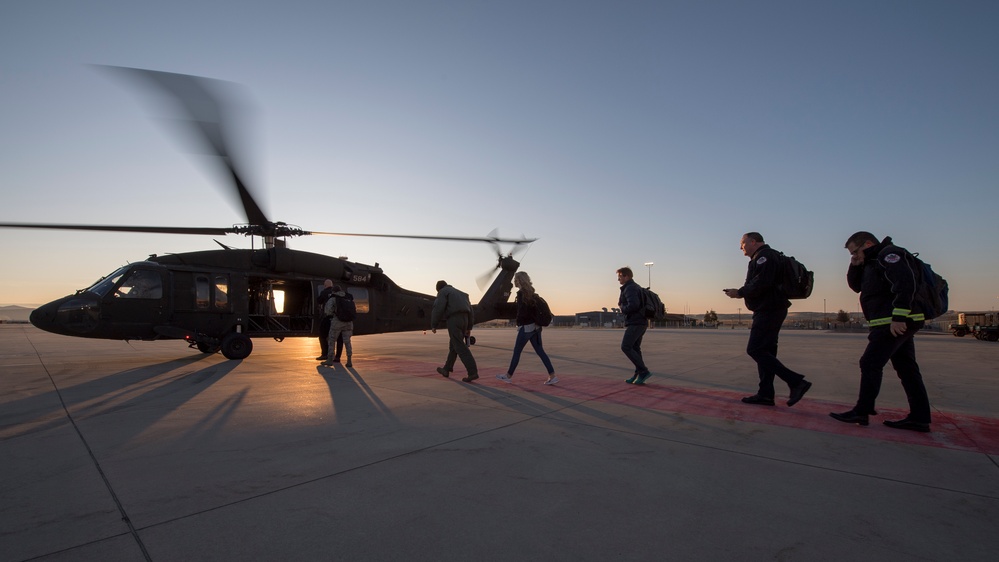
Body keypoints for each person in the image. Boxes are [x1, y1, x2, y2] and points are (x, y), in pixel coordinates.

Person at [829, 232, 932, 432]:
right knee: (906, 368)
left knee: (870, 363)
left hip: (894, 322)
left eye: (856, 251)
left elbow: (905, 283)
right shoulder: (872, 261)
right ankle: (920, 417)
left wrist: (899, 316)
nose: (854, 255)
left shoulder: (889, 254)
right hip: (890, 321)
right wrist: (854, 264)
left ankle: (862, 410)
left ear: (868, 244)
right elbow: (856, 287)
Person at [723, 232, 812, 407]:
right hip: (771, 308)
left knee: (755, 349)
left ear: (753, 241)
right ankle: (765, 393)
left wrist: (739, 292)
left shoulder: (765, 256)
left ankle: (796, 382)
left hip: (769, 309)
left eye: (742, 244)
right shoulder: (766, 256)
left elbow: (762, 282)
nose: (741, 248)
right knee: (766, 352)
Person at [496, 272, 558, 385]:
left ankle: (508, 376)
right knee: (540, 351)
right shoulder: (532, 293)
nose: (514, 280)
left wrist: (519, 323)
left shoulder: (521, 294)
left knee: (517, 352)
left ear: (519, 280)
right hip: (536, 327)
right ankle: (552, 375)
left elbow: (523, 312)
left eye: (515, 278)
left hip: (526, 328)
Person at [431, 280, 479, 383]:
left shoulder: (443, 292)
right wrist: (469, 327)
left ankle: (472, 372)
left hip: (454, 319)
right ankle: (446, 369)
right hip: (465, 320)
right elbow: (471, 312)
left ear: (439, 288)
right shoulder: (462, 294)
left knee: (459, 346)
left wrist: (434, 324)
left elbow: (438, 308)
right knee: (454, 345)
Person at [617, 267, 651, 384]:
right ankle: (638, 374)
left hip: (636, 322)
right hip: (641, 322)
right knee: (635, 349)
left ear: (627, 276)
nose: (618, 279)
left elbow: (634, 305)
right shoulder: (634, 287)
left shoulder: (630, 288)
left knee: (625, 346)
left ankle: (643, 371)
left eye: (620, 277)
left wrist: (622, 308)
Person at [321, 285, 353, 368]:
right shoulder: (348, 297)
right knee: (347, 341)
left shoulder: (333, 298)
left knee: (331, 340)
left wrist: (333, 315)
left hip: (337, 322)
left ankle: (329, 359)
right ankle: (349, 360)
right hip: (348, 322)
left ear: (333, 291)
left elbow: (328, 311)